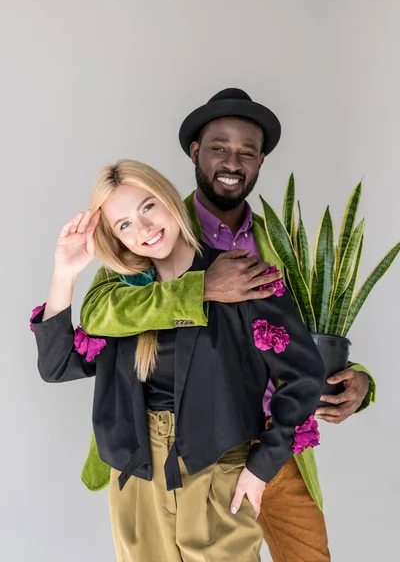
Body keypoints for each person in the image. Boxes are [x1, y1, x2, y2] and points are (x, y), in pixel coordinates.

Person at [79, 89, 376, 562]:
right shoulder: (151, 234)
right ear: (196, 152)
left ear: (261, 161)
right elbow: (101, 311)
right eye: (218, 147)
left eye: (247, 151)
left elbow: (304, 339)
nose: (231, 161)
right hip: (193, 450)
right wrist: (200, 289)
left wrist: (358, 380)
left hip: (278, 449)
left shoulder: (282, 248)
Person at [31, 160, 325, 562]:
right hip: (137, 475)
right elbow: (57, 366)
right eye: (124, 225)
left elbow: (305, 377)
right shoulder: (125, 297)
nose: (144, 229)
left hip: (219, 468)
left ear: (169, 197)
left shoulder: (241, 275)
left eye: (148, 207)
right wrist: (64, 273)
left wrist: (260, 470)